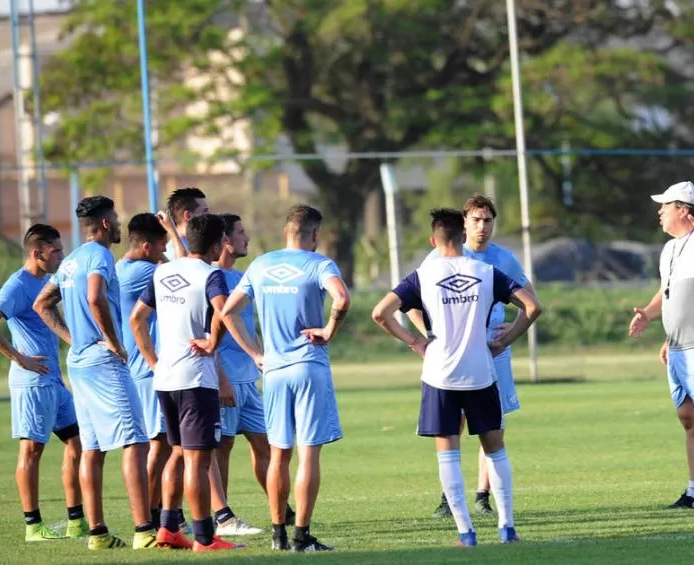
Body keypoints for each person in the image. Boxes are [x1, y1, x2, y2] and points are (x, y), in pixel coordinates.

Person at [371, 208, 541, 546]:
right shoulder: (486, 271)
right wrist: (504, 341)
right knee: (495, 449)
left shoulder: (422, 275)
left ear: (433, 241)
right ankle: (507, 529)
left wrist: (415, 341)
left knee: (448, 452)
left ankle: (466, 534)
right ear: (463, 236)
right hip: (480, 371)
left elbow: (379, 313)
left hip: (440, 375)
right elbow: (533, 307)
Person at [220, 204, 350, 552]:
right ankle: (301, 536)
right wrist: (329, 329)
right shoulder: (320, 264)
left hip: (273, 372)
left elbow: (227, 311)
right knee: (308, 455)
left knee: (279, 454)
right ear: (314, 234)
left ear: (286, 231)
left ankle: (278, 534)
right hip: (309, 367)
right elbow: (342, 298)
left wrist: (255, 353)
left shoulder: (261, 265)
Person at [33, 196, 155, 550]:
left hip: (80, 363)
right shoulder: (100, 255)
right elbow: (95, 297)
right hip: (103, 363)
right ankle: (144, 530)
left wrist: (75, 340)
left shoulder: (69, 261)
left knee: (93, 447)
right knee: (135, 442)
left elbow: (42, 303)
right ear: (105, 224)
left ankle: (98, 533)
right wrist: (113, 342)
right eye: (116, 220)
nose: (119, 225)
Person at [413, 195, 535, 517]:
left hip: (491, 351)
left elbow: (531, 302)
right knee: (453, 422)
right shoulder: (442, 255)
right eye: (476, 220)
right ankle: (448, 497)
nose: (482, 226)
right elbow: (411, 300)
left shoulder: (503, 259)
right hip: (454, 353)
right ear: (464, 222)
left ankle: (483, 495)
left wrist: (508, 334)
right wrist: (427, 335)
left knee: (492, 424)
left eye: (488, 220)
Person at [131, 213, 240, 552]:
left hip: (165, 379)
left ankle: (167, 530)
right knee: (197, 460)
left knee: (177, 454)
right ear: (218, 244)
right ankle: (205, 538)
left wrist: (153, 361)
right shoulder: (212, 275)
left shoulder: (162, 271)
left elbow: (137, 318)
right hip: (195, 378)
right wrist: (212, 343)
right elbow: (224, 312)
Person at [0, 224, 89, 542]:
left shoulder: (48, 281)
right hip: (32, 382)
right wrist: (18, 357)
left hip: (54, 381)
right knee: (31, 451)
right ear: (37, 253)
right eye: (55, 250)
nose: (61, 254)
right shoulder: (18, 284)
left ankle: (76, 520)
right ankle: (33, 526)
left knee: (78, 443)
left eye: (61, 248)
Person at [629, 181, 694, 509]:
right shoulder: (669, 249)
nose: (659, 211)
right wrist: (648, 314)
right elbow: (666, 293)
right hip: (678, 347)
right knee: (688, 418)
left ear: (684, 210)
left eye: (665, 206)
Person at [213, 213, 291, 535]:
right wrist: (222, 378)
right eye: (241, 233)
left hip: (249, 377)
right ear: (226, 240)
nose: (247, 238)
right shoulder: (213, 277)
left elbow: (246, 324)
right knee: (223, 447)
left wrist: (260, 354)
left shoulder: (242, 276)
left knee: (265, 444)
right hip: (226, 377)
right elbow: (219, 322)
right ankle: (222, 518)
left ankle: (282, 510)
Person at [116, 213, 185, 535]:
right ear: (146, 247)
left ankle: (155, 512)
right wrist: (173, 229)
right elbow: (187, 267)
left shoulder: (121, 268)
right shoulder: (146, 272)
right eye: (160, 246)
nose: (164, 251)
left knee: (161, 445)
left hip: (140, 370)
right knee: (159, 446)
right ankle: (152, 515)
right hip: (148, 370)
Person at [162, 187, 210, 260]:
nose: (209, 216)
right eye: (204, 211)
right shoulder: (172, 253)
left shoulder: (196, 246)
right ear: (188, 215)